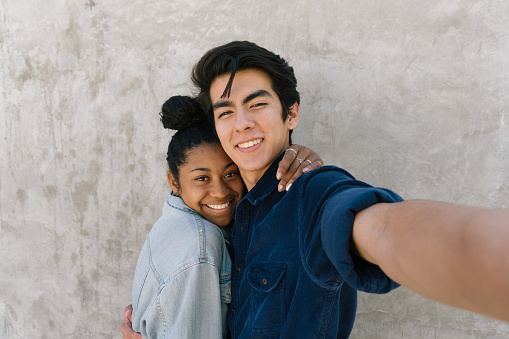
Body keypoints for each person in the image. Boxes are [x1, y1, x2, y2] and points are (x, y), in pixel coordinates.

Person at [187, 41, 508, 338]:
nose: (241, 123)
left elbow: (381, 228)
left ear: (292, 113)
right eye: (226, 112)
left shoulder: (312, 192)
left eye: (256, 104)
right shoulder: (224, 200)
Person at [123, 95, 323, 338]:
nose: (220, 192)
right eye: (201, 178)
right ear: (174, 182)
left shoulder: (182, 219)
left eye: (230, 174)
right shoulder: (201, 246)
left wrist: (298, 156)